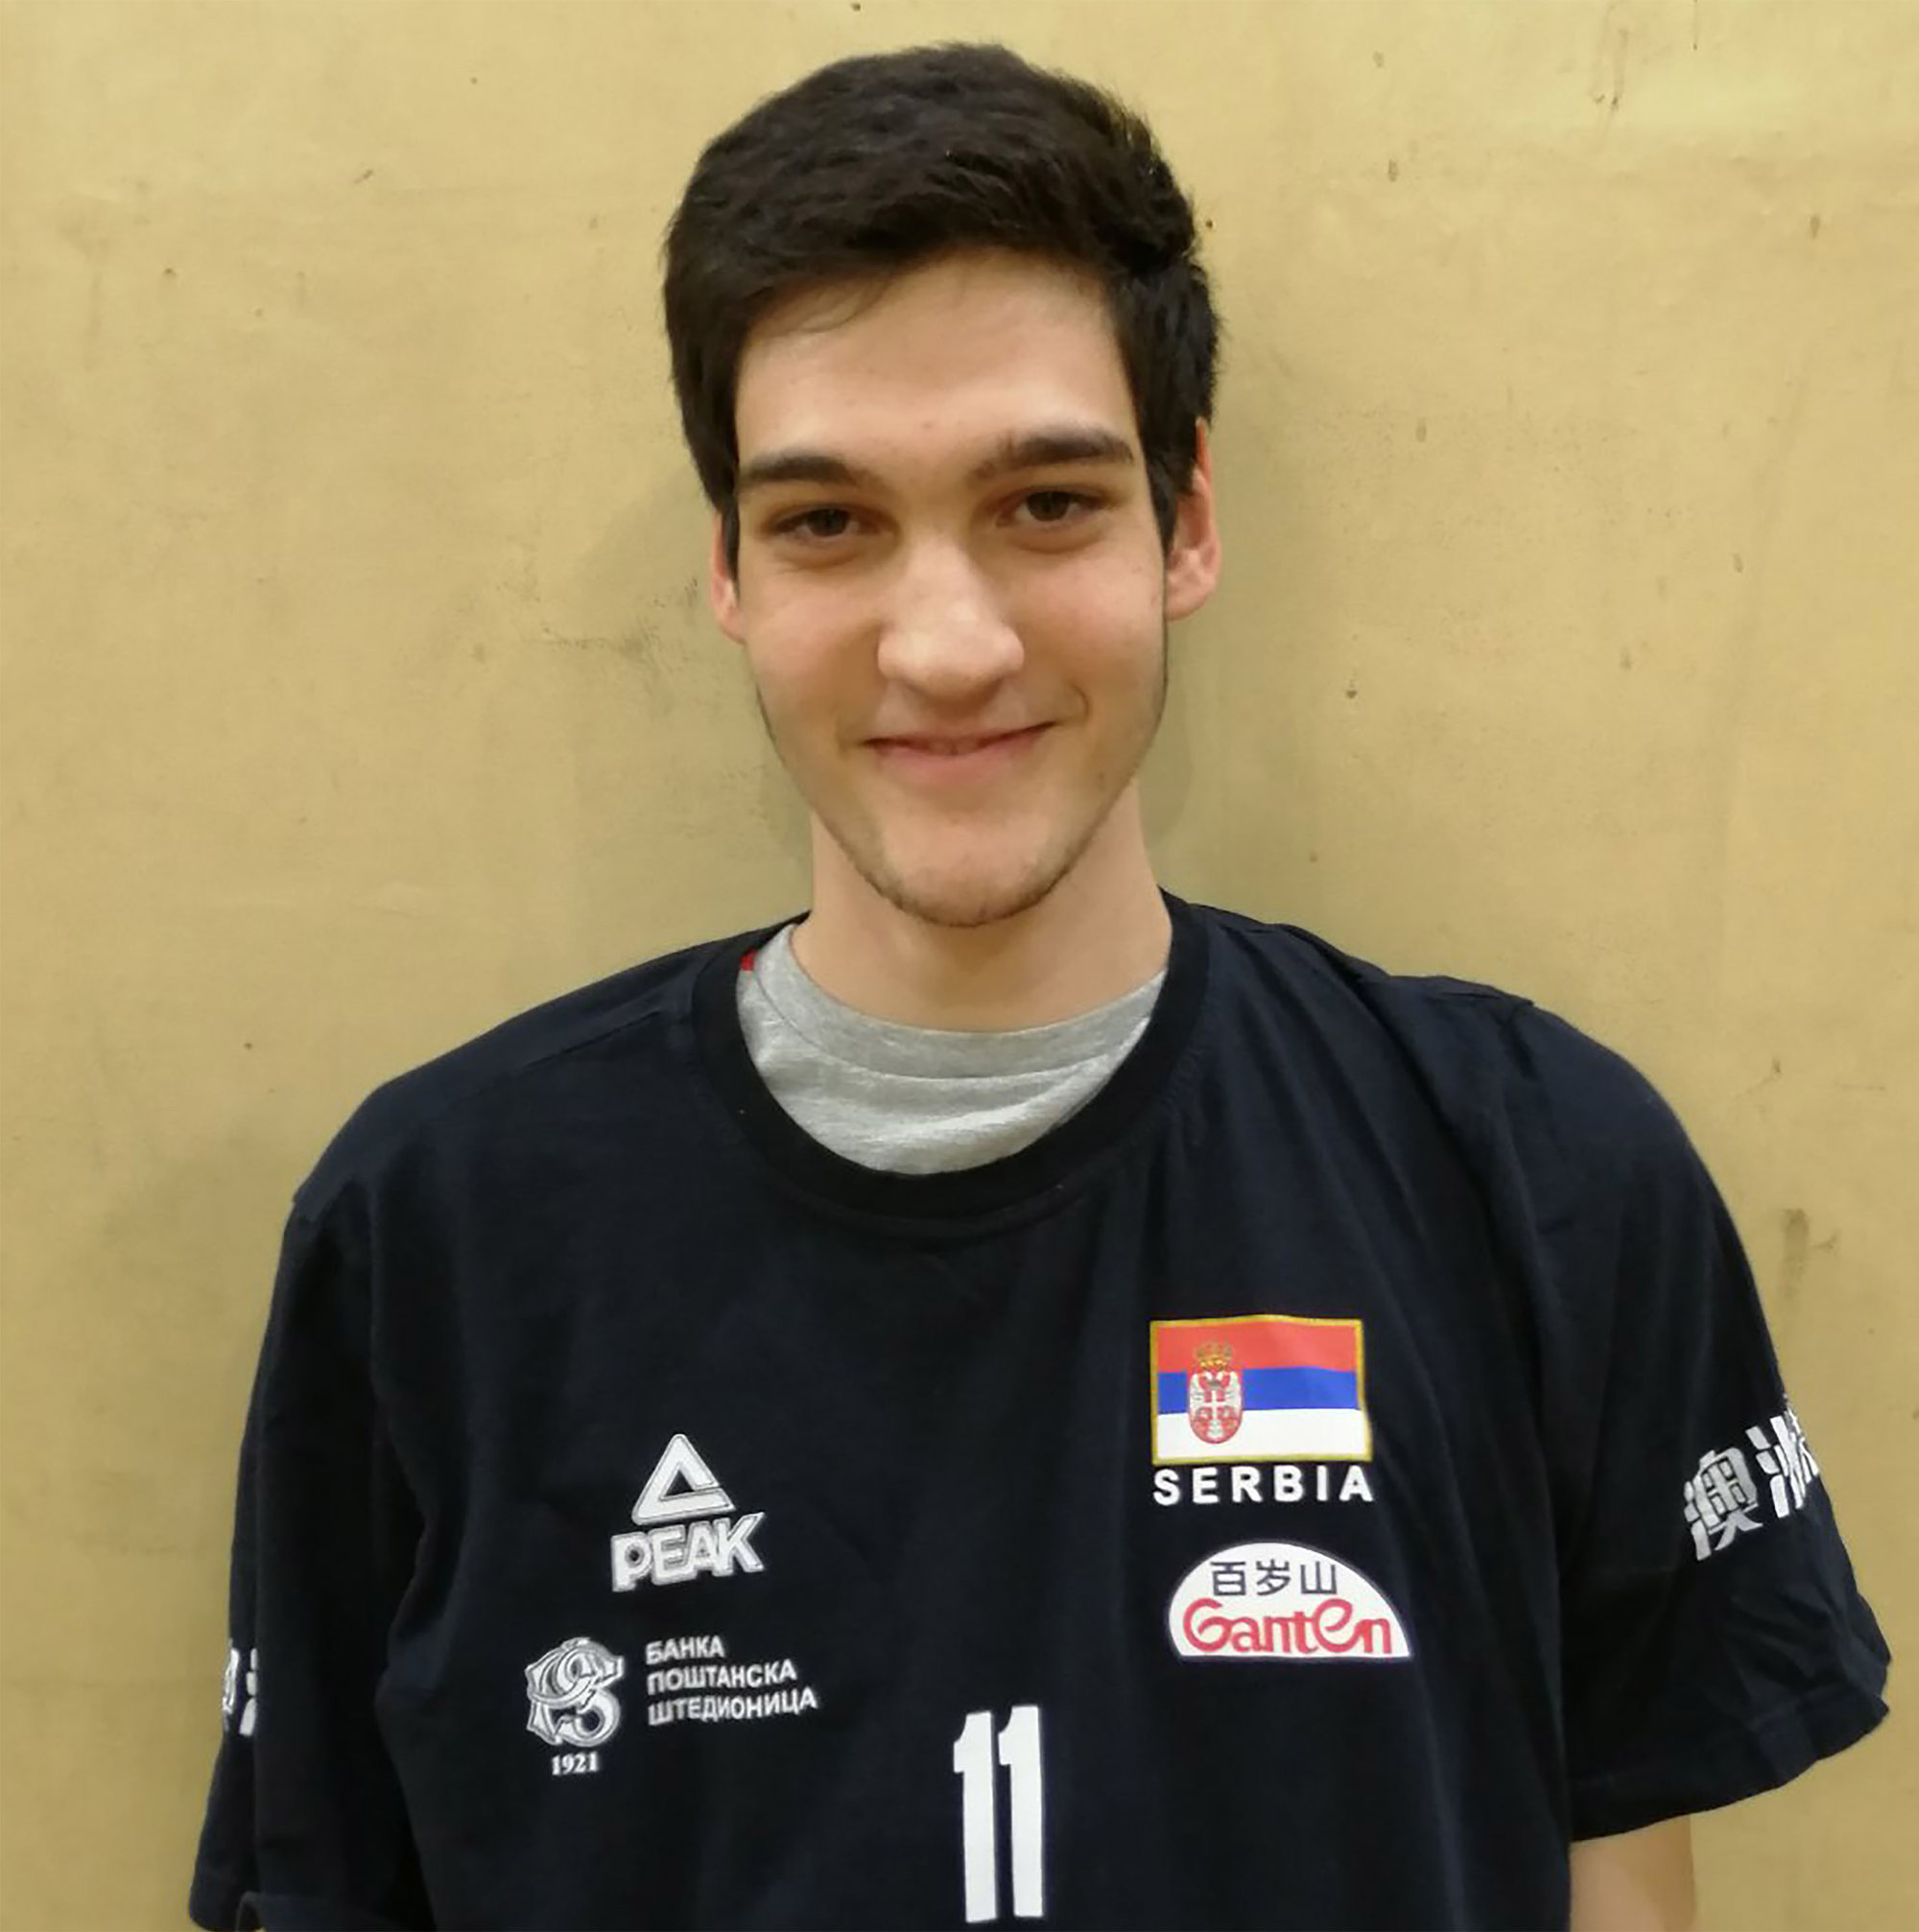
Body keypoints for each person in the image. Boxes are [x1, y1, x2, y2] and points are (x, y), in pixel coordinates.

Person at [188, 39, 1888, 1932]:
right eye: (828, 521)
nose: (946, 641)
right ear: (729, 572)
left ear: (1187, 521)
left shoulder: (1541, 1173)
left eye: (1047, 503)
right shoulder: (434, 1232)